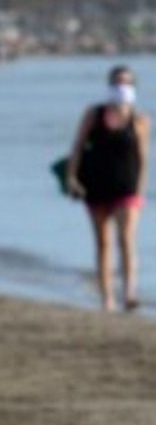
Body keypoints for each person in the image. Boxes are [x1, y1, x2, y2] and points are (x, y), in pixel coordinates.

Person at [66, 64, 150, 312]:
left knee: (126, 239)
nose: (121, 87)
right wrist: (71, 176)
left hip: (127, 186)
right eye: (117, 82)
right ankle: (107, 299)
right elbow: (77, 146)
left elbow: (143, 158)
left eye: (126, 83)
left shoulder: (140, 120)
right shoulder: (94, 114)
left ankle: (129, 293)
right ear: (109, 86)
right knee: (103, 243)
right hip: (97, 184)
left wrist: (140, 191)